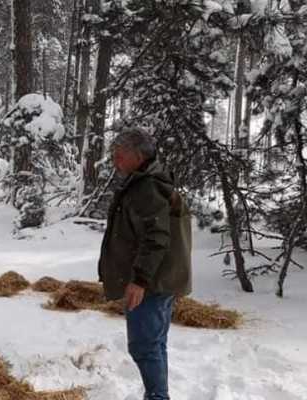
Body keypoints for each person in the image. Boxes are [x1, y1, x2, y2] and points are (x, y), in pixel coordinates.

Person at [97, 127, 192, 400]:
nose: (115, 161)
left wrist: (139, 280)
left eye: (120, 155)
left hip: (151, 283)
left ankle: (157, 397)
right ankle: (157, 395)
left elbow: (156, 237)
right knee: (154, 343)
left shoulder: (147, 187)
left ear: (138, 156)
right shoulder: (147, 182)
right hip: (159, 279)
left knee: (144, 346)